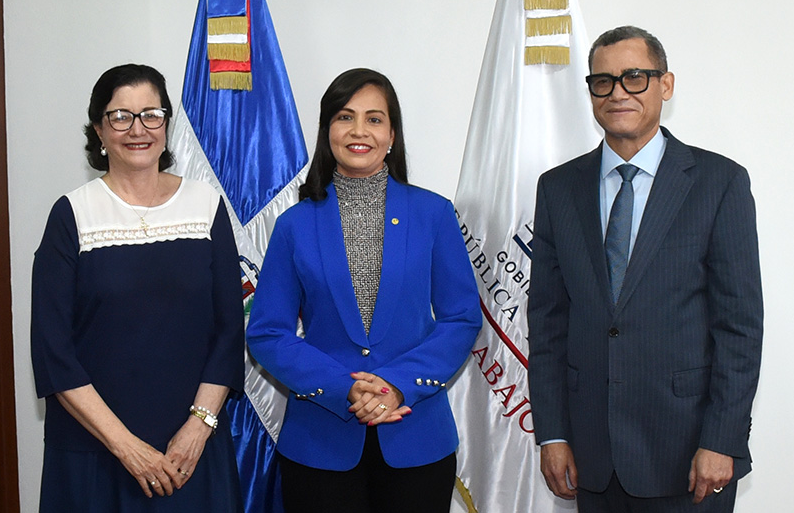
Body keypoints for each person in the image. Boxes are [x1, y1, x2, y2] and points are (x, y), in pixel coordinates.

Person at [528, 26, 764, 512]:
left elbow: (739, 327)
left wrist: (722, 439)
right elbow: (548, 322)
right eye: (603, 81)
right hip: (590, 455)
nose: (618, 92)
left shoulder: (719, 183)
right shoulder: (557, 188)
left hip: (690, 454)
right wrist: (551, 432)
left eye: (635, 77)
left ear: (666, 85)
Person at [245, 68, 482, 513]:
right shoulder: (295, 224)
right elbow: (267, 332)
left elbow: (461, 318)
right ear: (327, 130)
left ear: (392, 134)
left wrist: (397, 385)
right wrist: (343, 388)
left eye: (374, 119)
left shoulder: (433, 213)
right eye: (344, 117)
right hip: (319, 444)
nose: (359, 131)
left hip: (416, 441)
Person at [30, 64, 243, 512]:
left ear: (166, 125)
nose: (138, 129)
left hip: (188, 451)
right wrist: (125, 446)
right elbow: (53, 351)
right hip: (96, 452)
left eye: (151, 114)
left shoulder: (205, 206)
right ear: (99, 130)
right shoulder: (72, 214)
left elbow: (229, 330)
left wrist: (198, 426)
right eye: (120, 116)